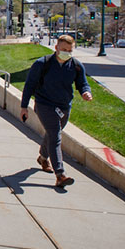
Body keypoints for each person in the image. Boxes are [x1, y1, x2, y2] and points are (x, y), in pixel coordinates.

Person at [20, 34, 93, 188]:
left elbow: (83, 83)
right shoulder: (42, 64)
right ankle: (60, 174)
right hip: (44, 104)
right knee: (55, 134)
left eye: (70, 50)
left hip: (64, 106)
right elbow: (29, 85)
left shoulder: (76, 66)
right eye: (64, 49)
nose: (67, 52)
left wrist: (86, 92)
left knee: (52, 133)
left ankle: (43, 157)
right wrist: (24, 106)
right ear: (56, 48)